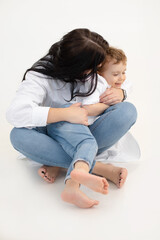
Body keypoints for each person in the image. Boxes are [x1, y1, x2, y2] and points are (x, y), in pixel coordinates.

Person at [6, 28, 137, 208]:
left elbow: (117, 73)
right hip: (53, 132)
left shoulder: (95, 68)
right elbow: (15, 113)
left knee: (127, 111)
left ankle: (61, 164)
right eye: (92, 69)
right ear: (77, 68)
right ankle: (98, 167)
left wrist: (121, 92)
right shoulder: (40, 76)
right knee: (17, 135)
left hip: (85, 128)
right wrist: (64, 113)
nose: (96, 72)